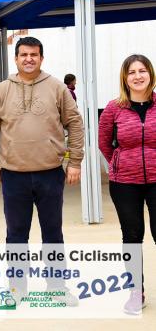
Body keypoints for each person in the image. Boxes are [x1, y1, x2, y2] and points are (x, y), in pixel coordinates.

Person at [0, 37, 83, 299]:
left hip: (50, 173)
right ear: (15, 58)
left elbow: (74, 123)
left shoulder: (57, 87)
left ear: (41, 58)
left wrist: (75, 161)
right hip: (14, 176)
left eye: (34, 55)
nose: (29, 59)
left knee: (53, 234)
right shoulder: (2, 90)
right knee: (16, 236)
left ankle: (57, 288)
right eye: (23, 54)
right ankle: (16, 289)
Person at [99, 54, 156, 315]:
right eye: (131, 72)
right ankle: (136, 292)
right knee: (132, 236)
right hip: (125, 183)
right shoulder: (114, 108)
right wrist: (121, 164)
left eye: (142, 70)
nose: (137, 76)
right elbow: (104, 143)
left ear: (150, 74)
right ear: (125, 78)